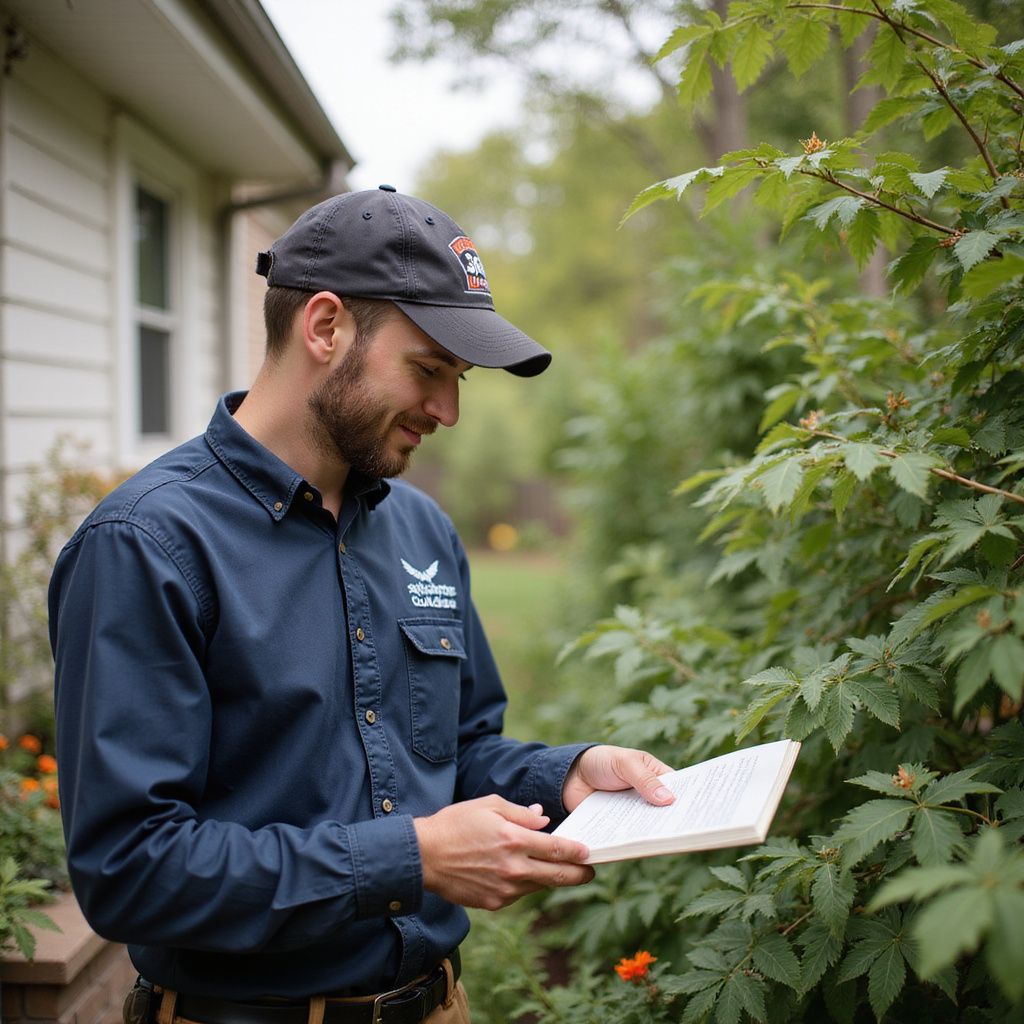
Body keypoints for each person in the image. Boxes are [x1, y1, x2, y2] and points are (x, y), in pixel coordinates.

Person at [49, 186, 675, 1024]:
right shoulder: (147, 545)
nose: (448, 411)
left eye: (458, 380)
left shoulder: (421, 529)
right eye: (428, 369)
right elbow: (132, 871)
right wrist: (409, 858)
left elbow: (451, 752)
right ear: (325, 327)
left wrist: (563, 774)